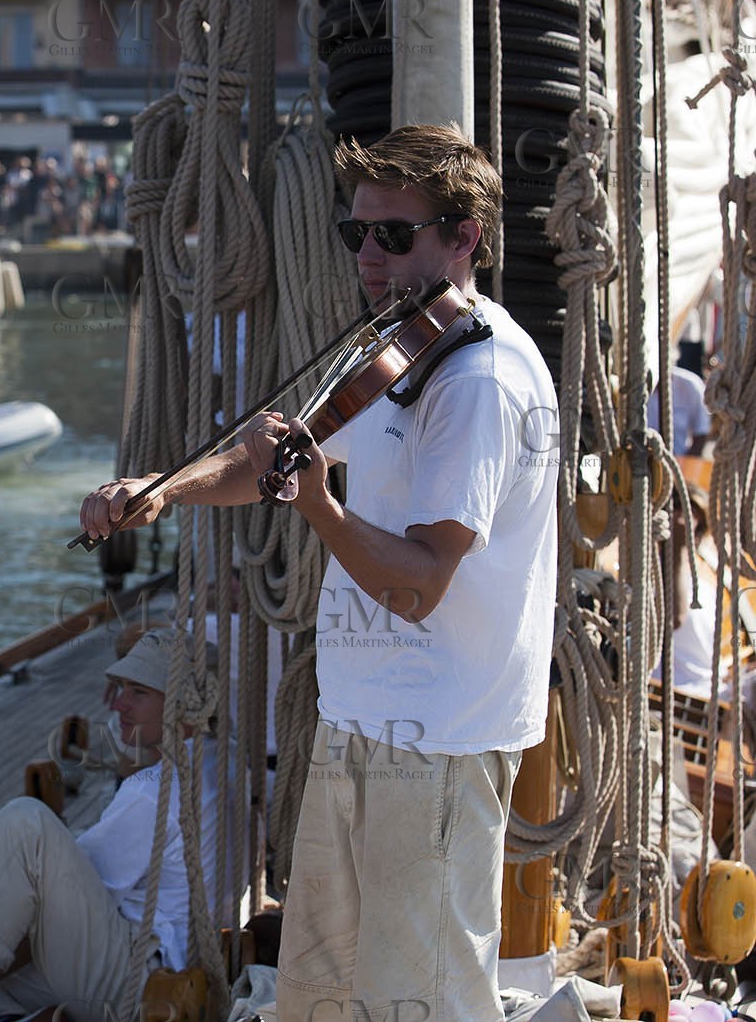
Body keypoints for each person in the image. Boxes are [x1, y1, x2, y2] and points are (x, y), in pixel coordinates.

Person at [79, 123, 559, 1020]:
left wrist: (315, 505)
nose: (369, 257)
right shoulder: (396, 345)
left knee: (420, 1002)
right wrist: (163, 488)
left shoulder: (479, 379)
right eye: (356, 232)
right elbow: (278, 454)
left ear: (465, 236)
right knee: (317, 995)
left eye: (394, 234)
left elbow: (418, 583)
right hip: (356, 720)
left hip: (440, 739)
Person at [0, 628, 222, 1022]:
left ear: (184, 704)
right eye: (122, 688)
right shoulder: (225, 763)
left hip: (142, 988)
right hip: (188, 975)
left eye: (138, 692)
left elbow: (51, 910)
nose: (119, 704)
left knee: (23, 823)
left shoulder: (152, 793)